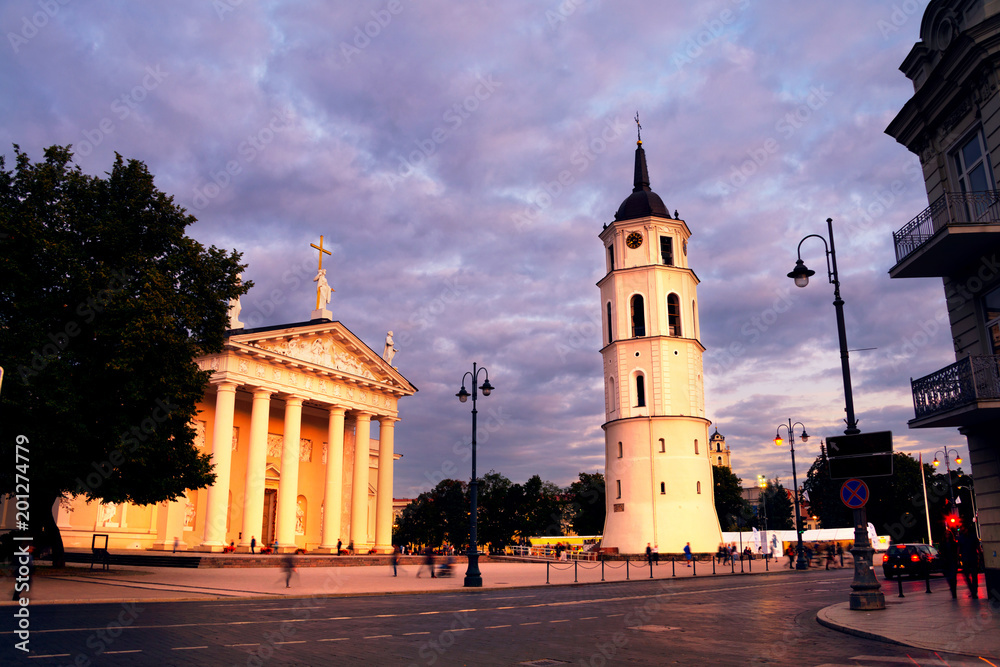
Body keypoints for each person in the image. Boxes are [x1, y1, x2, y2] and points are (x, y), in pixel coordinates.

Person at [958, 527, 982, 599]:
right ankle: (973, 590)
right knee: (968, 575)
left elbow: (978, 547)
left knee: (974, 575)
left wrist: (980, 555)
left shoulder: (972, 537)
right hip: (967, 558)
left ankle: (974, 590)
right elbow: (959, 549)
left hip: (972, 558)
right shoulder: (961, 538)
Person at [941, 528, 960, 599]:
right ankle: (952, 588)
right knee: (948, 577)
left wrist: (957, 560)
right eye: (946, 534)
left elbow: (956, 552)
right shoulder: (943, 543)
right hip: (946, 562)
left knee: (953, 577)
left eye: (948, 534)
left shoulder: (953, 543)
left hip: (952, 561)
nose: (947, 535)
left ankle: (953, 590)